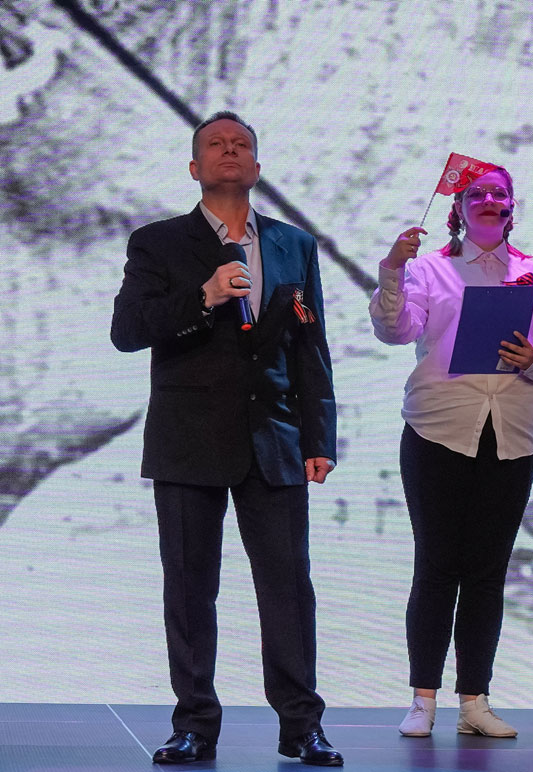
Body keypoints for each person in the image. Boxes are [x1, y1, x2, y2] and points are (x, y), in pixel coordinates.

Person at [110, 112, 342, 766]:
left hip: (276, 438)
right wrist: (205, 296)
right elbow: (128, 330)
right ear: (195, 168)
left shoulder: (295, 244)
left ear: (258, 168)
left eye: (241, 144)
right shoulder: (158, 242)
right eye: (215, 144)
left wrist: (319, 436)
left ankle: (302, 726)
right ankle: (194, 725)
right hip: (187, 439)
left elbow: (310, 345)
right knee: (190, 589)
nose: (229, 150)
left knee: (288, 588)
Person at [370, 167, 533, 739]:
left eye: (499, 193)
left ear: (512, 208)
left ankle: (474, 701)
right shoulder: (429, 269)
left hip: (511, 435)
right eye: (477, 193)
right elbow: (396, 330)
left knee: (488, 573)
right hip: (439, 429)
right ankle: (422, 698)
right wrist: (392, 271)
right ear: (459, 207)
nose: (489, 199)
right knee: (437, 566)